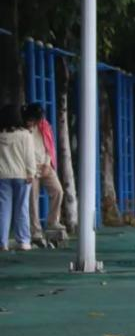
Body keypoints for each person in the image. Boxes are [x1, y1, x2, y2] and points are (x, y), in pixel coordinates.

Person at [22, 103, 65, 243]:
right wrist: (31, 168)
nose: (33, 122)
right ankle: (35, 231)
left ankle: (53, 221)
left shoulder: (44, 126)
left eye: (35, 120)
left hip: (45, 165)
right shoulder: (21, 129)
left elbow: (49, 146)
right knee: (32, 200)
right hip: (30, 168)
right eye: (31, 120)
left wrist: (47, 164)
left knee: (58, 191)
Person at [0, 104, 36, 251]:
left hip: (2, 175)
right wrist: (31, 173)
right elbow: (29, 156)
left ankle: (2, 243)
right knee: (22, 208)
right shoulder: (25, 135)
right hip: (22, 175)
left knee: (3, 209)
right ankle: (23, 241)